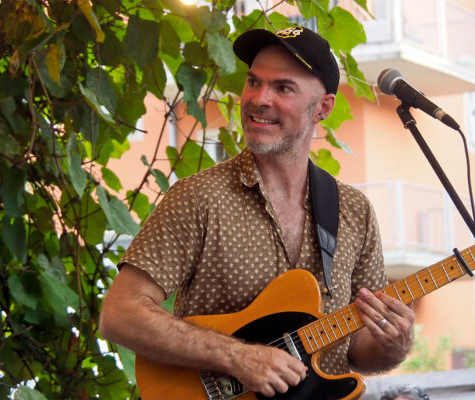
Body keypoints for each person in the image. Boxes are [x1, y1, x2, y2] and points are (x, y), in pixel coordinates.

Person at [99, 25, 415, 398]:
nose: (258, 99)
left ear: (323, 108)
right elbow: (119, 313)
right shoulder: (199, 197)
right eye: (253, 82)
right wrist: (235, 356)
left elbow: (358, 350)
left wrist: (393, 345)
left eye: (283, 88)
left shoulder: (354, 211)